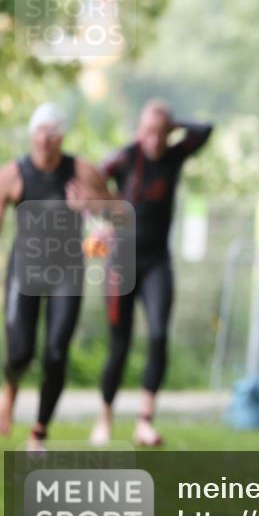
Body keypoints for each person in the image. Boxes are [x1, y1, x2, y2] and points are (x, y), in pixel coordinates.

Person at [0, 103, 113, 451]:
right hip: (24, 271)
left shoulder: (82, 173)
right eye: (40, 131)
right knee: (20, 353)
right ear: (32, 134)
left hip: (67, 273)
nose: (46, 139)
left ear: (62, 137)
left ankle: (38, 432)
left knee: (56, 351)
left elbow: (117, 215)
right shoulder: (11, 175)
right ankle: (11, 387)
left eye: (53, 132)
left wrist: (92, 210)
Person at [91, 100, 213, 447]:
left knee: (158, 335)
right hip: (121, 262)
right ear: (139, 130)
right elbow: (91, 184)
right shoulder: (125, 158)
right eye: (149, 132)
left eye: (162, 133)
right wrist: (101, 223)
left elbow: (205, 130)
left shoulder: (174, 157)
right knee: (120, 344)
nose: (155, 140)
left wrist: (174, 124)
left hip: (157, 262)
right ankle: (105, 418)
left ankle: (144, 422)